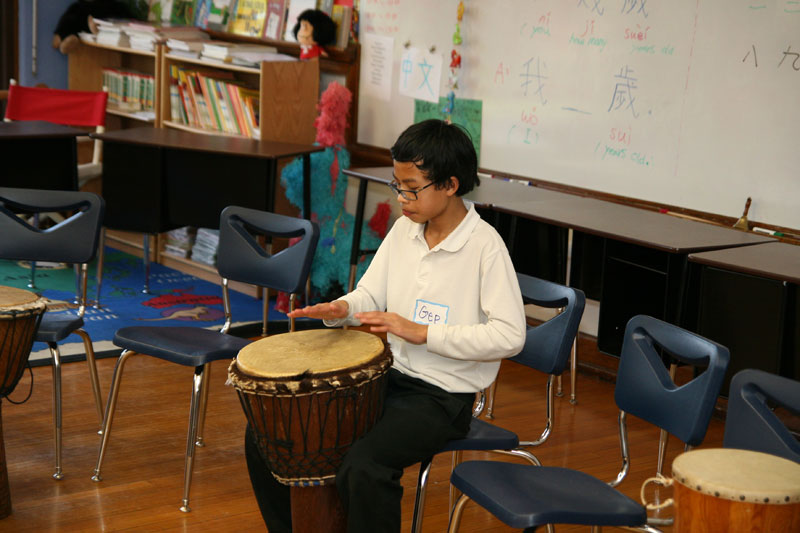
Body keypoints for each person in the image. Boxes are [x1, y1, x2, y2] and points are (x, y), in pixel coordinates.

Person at [244, 119, 527, 532]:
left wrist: (423, 332)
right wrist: (340, 308)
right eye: (397, 185)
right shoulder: (403, 231)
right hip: (387, 377)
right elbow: (370, 296)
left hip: (444, 397)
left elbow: (510, 335)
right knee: (270, 435)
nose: (401, 198)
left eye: (411, 188)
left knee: (365, 465)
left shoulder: (485, 247)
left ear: (450, 185)